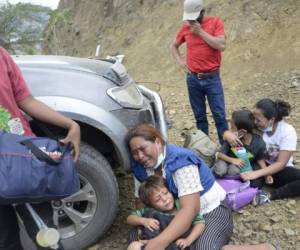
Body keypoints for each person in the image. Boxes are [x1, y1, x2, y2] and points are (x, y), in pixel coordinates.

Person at [0, 47, 81, 250]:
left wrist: (71, 124)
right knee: (5, 241)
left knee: (46, 236)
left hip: (23, 161)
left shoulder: (1, 56)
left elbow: (25, 100)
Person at [126, 123, 233, 250]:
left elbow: (190, 209)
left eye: (143, 149)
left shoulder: (181, 161)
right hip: (172, 213)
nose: (140, 156)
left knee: (204, 247)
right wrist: (144, 222)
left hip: (209, 210)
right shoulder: (140, 166)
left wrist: (159, 242)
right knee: (136, 236)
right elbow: (141, 201)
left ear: (158, 142)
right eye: (135, 153)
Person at [170, 0, 228, 144]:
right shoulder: (185, 28)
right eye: (189, 18)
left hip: (212, 77)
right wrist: (180, 62)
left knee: (219, 115)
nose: (192, 21)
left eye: (195, 17)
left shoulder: (215, 22)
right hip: (193, 79)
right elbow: (174, 46)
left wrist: (201, 32)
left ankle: (226, 148)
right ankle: (204, 148)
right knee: (199, 116)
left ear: (203, 11)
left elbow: (221, 45)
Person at [224, 99, 299, 205]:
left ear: (271, 120)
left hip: (276, 170)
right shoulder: (254, 125)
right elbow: (235, 125)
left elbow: (281, 164)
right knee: (248, 180)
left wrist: (255, 174)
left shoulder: (287, 132)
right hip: (254, 164)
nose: (254, 122)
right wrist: (227, 134)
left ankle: (269, 195)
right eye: (254, 118)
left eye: (258, 120)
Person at [127, 175, 205, 250]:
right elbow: (130, 218)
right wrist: (144, 221)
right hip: (153, 244)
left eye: (165, 193)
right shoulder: (149, 211)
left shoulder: (183, 206)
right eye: (158, 199)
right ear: (151, 204)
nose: (165, 199)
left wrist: (188, 240)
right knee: (134, 245)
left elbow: (200, 223)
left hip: (177, 245)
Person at [213, 109, 273, 187]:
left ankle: (229, 183)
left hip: (238, 167)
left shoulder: (259, 142)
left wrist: (267, 175)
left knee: (234, 171)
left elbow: (260, 159)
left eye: (232, 128)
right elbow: (219, 154)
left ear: (242, 132)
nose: (230, 131)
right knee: (221, 170)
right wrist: (232, 160)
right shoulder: (232, 139)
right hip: (226, 160)